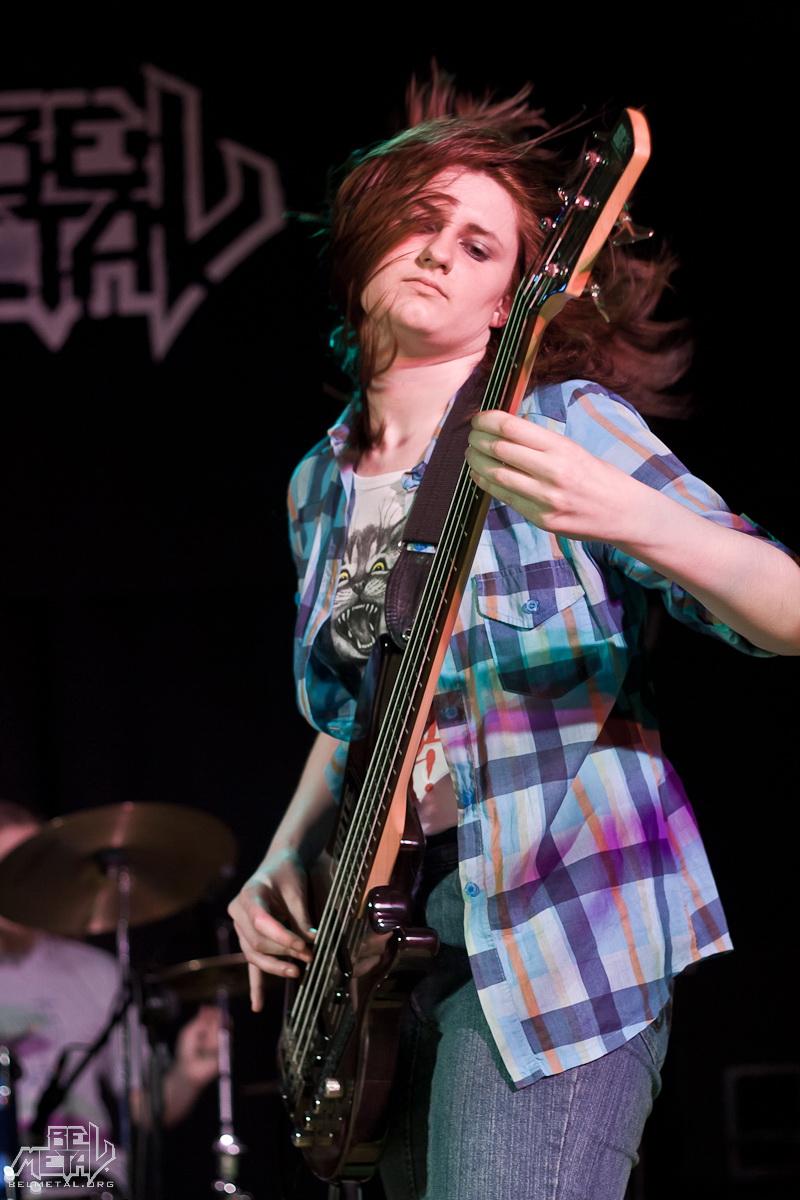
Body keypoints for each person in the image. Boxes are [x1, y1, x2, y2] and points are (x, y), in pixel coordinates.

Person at [228, 77, 800, 1200]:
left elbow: (786, 612)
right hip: (384, 946)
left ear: (510, 299)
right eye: (421, 220)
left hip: (556, 919)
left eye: (478, 244)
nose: (440, 252)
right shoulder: (316, 483)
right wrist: (285, 852)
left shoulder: (562, 428)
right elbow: (363, 711)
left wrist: (632, 516)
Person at [0, 801, 220, 1198]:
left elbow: (145, 1108)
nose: (22, 880)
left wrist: (188, 1074)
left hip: (88, 1183)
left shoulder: (96, 972)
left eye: (33, 864)